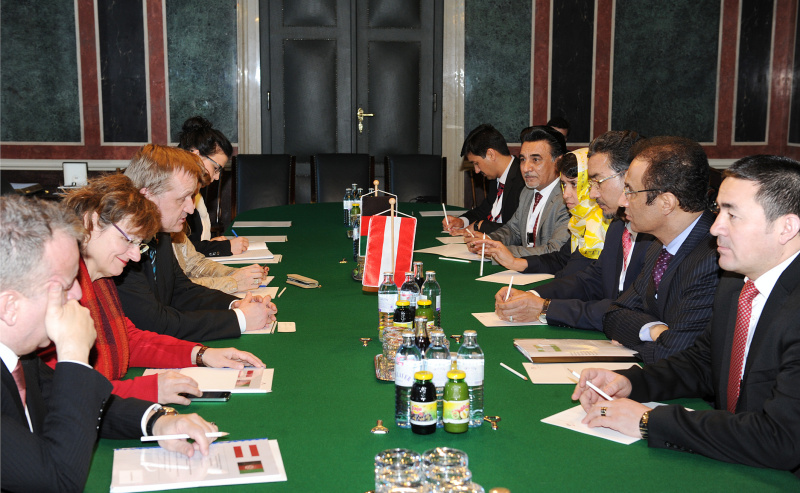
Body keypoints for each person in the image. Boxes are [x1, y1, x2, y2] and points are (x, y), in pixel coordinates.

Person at [572, 155, 800, 475]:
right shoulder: (735, 283)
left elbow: (780, 439)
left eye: (732, 215)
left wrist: (649, 420)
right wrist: (630, 382)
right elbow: (702, 363)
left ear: (786, 227)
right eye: (718, 210)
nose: (716, 227)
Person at [0, 196, 219, 492]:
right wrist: (74, 355)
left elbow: (78, 403)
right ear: (9, 307)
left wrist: (156, 421)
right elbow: (58, 481)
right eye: (64, 286)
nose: (78, 294)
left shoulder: (22, 359)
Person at [38, 174, 265, 405]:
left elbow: (128, 339)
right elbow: (68, 392)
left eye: (139, 245)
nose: (136, 256)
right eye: (128, 240)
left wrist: (201, 354)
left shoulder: (102, 278)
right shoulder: (57, 290)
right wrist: (149, 389)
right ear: (92, 221)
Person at [116, 144, 277, 341]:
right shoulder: (119, 248)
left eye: (191, 197)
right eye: (182, 199)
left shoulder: (161, 232)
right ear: (147, 196)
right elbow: (154, 323)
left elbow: (181, 290)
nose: (191, 209)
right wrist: (239, 319)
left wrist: (235, 305)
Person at [494, 130, 651, 330]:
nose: (592, 194)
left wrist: (545, 308)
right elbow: (590, 280)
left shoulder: (652, 235)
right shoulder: (618, 226)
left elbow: (629, 308)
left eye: (597, 182)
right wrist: (532, 296)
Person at [602, 136, 721, 364]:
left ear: (666, 203)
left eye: (630, 191)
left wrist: (634, 337)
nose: (622, 201)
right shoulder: (659, 246)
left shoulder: (712, 258)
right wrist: (653, 330)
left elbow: (673, 354)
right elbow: (613, 314)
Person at [475, 148, 609, 278]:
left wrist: (505, 252)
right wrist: (492, 244)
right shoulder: (578, 220)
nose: (566, 194)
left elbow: (560, 258)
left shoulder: (602, 224)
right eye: (564, 184)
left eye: (574, 184)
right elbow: (560, 259)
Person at [467, 125, 570, 258]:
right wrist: (488, 241)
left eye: (535, 160)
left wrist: (502, 251)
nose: (526, 168)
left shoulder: (567, 198)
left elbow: (555, 251)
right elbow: (513, 230)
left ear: (558, 162)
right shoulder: (527, 192)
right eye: (522, 159)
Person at [177, 115, 248, 257]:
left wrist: (210, 244)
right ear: (196, 155)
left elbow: (191, 243)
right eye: (216, 168)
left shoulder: (194, 191)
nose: (216, 177)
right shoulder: (172, 191)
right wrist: (223, 247)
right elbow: (178, 251)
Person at [442, 123, 525, 235]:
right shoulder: (495, 177)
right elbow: (484, 210)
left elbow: (517, 229)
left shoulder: (523, 180)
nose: (476, 170)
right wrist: (462, 221)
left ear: (491, 154)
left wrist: (479, 226)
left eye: (476, 163)